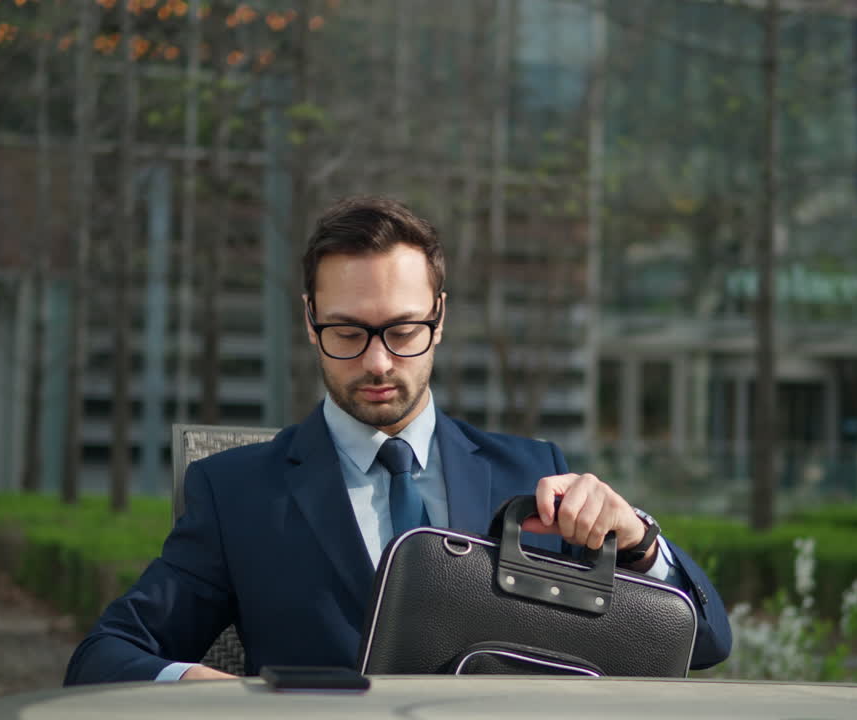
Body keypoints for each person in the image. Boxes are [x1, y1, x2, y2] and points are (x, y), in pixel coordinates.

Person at [64, 196, 730, 684]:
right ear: (309, 319)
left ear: (440, 319)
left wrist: (640, 542)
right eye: (348, 332)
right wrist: (198, 686)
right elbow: (104, 655)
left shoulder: (534, 477)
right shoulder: (239, 492)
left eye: (403, 331)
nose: (378, 362)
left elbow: (703, 642)